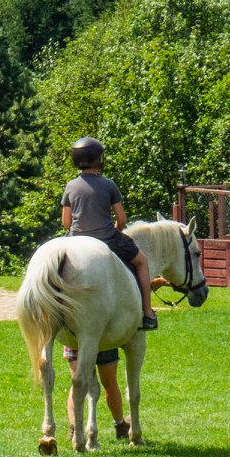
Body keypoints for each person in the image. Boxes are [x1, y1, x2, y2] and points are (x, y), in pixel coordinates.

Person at [60, 136, 159, 331]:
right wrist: (114, 232)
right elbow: (121, 220)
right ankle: (147, 313)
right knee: (142, 261)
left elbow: (65, 222)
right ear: (98, 159)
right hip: (107, 238)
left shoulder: (70, 186)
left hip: (76, 239)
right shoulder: (109, 184)